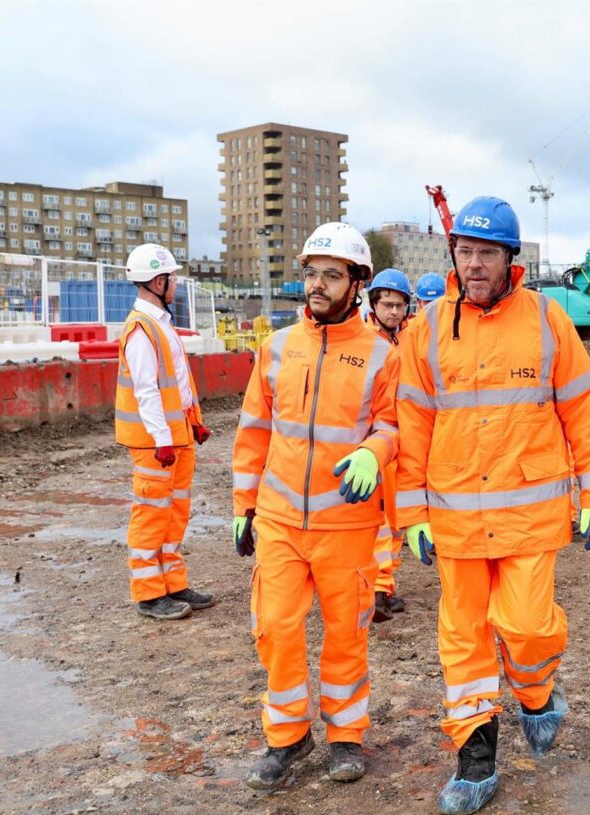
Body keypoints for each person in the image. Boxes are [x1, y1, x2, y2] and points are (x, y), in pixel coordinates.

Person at [396, 196, 590, 815]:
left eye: (486, 252)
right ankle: (475, 760)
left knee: (525, 626)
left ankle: (539, 695)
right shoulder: (428, 328)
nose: (474, 264)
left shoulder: (548, 321)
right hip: (455, 518)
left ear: (509, 259)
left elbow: (582, 409)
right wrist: (409, 513)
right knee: (462, 640)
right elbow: (410, 425)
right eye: (464, 251)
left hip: (530, 516)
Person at [231, 222, 400, 790]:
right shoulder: (276, 347)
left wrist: (375, 452)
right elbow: (254, 430)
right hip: (279, 520)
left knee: (345, 633)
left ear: (358, 284)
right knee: (275, 627)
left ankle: (346, 736)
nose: (317, 285)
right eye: (311, 274)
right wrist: (243, 504)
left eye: (332, 275)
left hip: (347, 524)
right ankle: (287, 737)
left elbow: (393, 422)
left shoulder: (381, 354)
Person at [115, 243, 214, 621]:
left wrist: (193, 423)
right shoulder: (142, 329)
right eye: (173, 278)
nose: (176, 284)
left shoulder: (160, 323)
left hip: (176, 438)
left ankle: (173, 584)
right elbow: (146, 390)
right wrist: (161, 441)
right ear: (159, 281)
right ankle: (149, 594)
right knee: (152, 514)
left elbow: (175, 385)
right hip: (156, 444)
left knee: (175, 512)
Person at [364, 268, 412, 620]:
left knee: (396, 520)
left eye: (399, 305)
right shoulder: (363, 342)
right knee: (376, 521)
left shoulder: (410, 339)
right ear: (374, 305)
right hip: (373, 444)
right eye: (388, 305)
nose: (394, 311)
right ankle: (375, 588)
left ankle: (385, 584)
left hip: (403, 442)